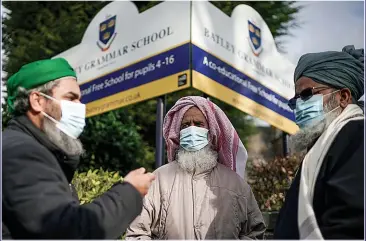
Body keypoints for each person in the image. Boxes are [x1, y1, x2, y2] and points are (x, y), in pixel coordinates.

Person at [2, 58, 155, 239]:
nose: (80, 107)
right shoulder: (22, 153)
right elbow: (67, 231)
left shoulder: (35, 151)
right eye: (70, 98)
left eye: (79, 100)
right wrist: (130, 192)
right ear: (37, 101)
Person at [125, 96, 266, 239]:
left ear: (211, 132)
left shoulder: (236, 184)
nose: (192, 129)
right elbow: (137, 233)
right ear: (178, 133)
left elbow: (255, 233)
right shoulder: (159, 179)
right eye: (185, 125)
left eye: (199, 124)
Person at [274, 45, 364, 239]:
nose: (299, 105)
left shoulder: (356, 135)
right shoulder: (323, 144)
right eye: (295, 99)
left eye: (306, 94)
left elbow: (350, 224)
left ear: (343, 97)